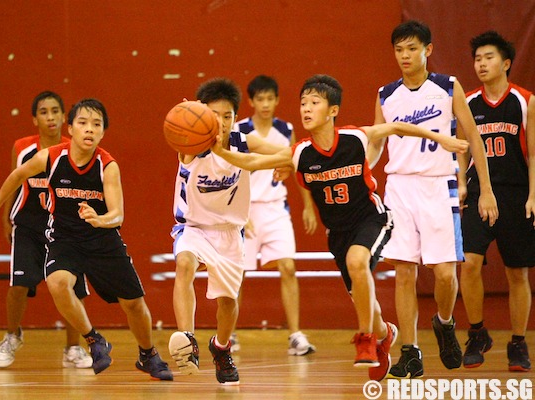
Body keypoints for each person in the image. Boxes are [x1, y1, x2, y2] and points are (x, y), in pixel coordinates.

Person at [211, 74, 469, 381]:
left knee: (357, 262)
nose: (306, 108)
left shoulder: (355, 138)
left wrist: (443, 139)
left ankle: (366, 339)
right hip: (338, 233)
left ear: (333, 110)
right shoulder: (300, 153)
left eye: (315, 103)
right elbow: (252, 162)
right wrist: (217, 149)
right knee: (365, 299)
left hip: (371, 218)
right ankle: (383, 333)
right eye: (303, 103)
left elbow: (396, 127)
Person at [0, 98, 173, 380]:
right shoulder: (52, 157)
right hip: (65, 239)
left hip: (103, 241)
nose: (89, 129)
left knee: (134, 305)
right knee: (57, 282)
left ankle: (148, 353)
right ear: (71, 128)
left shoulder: (108, 165)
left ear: (103, 133)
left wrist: (100, 219)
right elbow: (17, 175)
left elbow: (118, 214)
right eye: (83, 123)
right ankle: (93, 340)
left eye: (96, 125)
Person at [368, 20, 499, 379]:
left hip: (439, 185)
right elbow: (377, 144)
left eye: (411, 48)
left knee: (444, 274)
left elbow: (474, 137)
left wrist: (485, 189)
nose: (404, 56)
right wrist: (362, 171)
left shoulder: (447, 87)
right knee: (405, 273)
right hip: (399, 188)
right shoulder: (385, 94)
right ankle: (410, 351)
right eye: (398, 50)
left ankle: (443, 322)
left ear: (427, 49)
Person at [167, 78, 286, 385]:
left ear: (235, 117)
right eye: (213, 114)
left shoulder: (242, 139)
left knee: (228, 302)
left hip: (230, 231)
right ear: (200, 113)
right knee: (184, 264)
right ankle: (187, 340)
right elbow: (181, 123)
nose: (220, 121)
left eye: (227, 115)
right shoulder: (189, 142)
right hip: (193, 226)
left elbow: (283, 151)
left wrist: (287, 162)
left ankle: (221, 347)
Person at [0, 91, 92, 369]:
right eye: (44, 112)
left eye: (55, 111)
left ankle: (73, 348)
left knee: (72, 288)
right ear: (35, 118)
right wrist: (5, 220)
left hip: (64, 229)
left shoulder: (75, 147)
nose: (50, 117)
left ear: (64, 117)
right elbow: (13, 181)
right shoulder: (23, 148)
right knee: (19, 285)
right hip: (27, 226)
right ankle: (12, 336)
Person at [459, 31, 533, 372]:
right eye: (477, 59)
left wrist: (533, 194)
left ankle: (518, 342)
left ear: (505, 63)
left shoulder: (524, 101)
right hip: (478, 193)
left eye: (488, 58)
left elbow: (533, 155)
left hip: (516, 192)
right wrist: (461, 183)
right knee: (469, 263)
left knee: (517, 273)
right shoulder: (469, 102)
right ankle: (477, 333)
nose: (481, 64)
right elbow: (462, 150)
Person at [232, 75, 317, 356]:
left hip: (276, 208)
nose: (266, 104)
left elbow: (296, 168)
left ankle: (295, 335)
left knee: (288, 267)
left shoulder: (286, 130)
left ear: (277, 100)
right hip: (246, 209)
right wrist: (237, 210)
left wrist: (307, 205)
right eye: (260, 99)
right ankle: (229, 335)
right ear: (251, 101)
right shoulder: (239, 130)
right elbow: (231, 173)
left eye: (270, 98)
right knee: (237, 274)